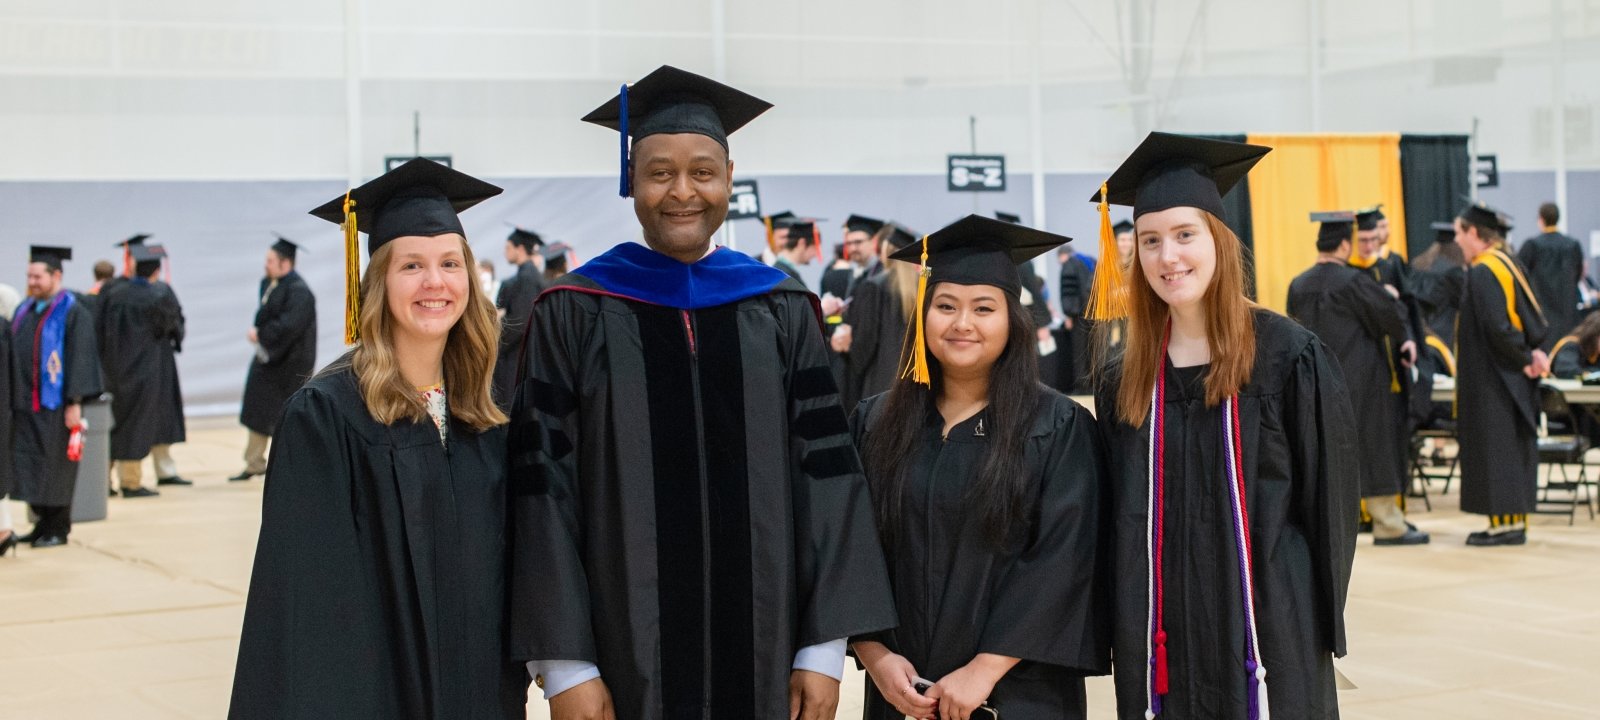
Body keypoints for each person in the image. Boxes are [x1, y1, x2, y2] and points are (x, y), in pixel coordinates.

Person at [507, 65, 896, 720]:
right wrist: (565, 664)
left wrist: (822, 653)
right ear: (631, 179)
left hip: (768, 654)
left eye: (702, 172)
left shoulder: (781, 308)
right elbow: (542, 488)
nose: (682, 192)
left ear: (729, 176)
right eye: (659, 172)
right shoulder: (571, 312)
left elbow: (828, 479)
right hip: (620, 659)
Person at [229, 158, 526, 718]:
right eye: (411, 265)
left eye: (449, 263)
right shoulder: (324, 418)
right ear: (376, 283)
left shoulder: (482, 416)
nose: (435, 283)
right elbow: (307, 606)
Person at [1088, 133, 1359, 719]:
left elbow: (1330, 506)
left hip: (1267, 627)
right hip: (1159, 630)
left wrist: (1309, 618)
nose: (1168, 257)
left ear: (1220, 239)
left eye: (1186, 235)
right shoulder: (1124, 377)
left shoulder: (1289, 357)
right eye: (1150, 240)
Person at [852, 215, 1109, 720]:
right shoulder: (876, 422)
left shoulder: (1058, 427)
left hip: (1017, 697)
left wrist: (985, 669)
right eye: (945, 306)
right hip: (902, 694)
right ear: (923, 316)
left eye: (984, 308)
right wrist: (875, 655)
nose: (962, 323)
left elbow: (1066, 559)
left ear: (1013, 319)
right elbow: (850, 546)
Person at [1288, 211, 1429, 546]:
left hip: (1315, 380)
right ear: (1344, 244)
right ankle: (1388, 524)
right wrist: (1391, 298)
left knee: (1324, 450)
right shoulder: (1353, 282)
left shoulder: (1299, 283)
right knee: (1374, 446)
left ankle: (1333, 523)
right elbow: (1390, 318)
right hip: (1361, 379)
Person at [1454, 201, 1550, 546]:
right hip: (1505, 372)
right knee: (1504, 446)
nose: (1457, 241)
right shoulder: (1506, 262)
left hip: (1498, 377)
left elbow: (1498, 325)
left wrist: (1524, 357)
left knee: (1500, 448)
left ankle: (1507, 523)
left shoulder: (1485, 270)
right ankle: (1505, 520)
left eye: (1458, 233)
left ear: (1475, 233)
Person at [11, 246, 102, 548]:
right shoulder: (26, 309)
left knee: (55, 467)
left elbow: (81, 359)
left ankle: (57, 528)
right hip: (27, 405)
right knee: (31, 465)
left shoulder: (73, 311)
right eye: (29, 276)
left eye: (38, 276)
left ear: (56, 275)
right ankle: (39, 525)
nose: (32, 282)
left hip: (57, 406)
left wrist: (75, 401)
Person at [99, 243, 187, 496]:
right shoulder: (157, 297)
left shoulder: (112, 291)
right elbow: (172, 329)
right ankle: (130, 481)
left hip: (111, 370)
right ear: (155, 272)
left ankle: (102, 481)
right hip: (141, 370)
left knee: (112, 423)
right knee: (134, 425)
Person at [232, 236, 317, 482]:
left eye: (270, 260)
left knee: (289, 416)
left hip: (290, 364)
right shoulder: (270, 284)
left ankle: (293, 464)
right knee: (257, 411)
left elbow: (289, 327)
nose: (266, 264)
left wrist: (261, 334)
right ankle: (254, 463)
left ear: (285, 263)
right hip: (268, 359)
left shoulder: (300, 292)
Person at [836, 222, 919, 410]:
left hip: (881, 383)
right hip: (915, 379)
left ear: (884, 249)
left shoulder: (874, 286)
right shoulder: (924, 286)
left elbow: (865, 343)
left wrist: (849, 347)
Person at [1517, 202, 1584, 349]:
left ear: (1541, 219)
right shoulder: (1572, 245)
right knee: (1567, 349)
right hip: (1568, 308)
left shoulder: (1532, 245)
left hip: (1542, 309)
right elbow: (1578, 274)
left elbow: (1519, 275)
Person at [492, 224, 545, 410]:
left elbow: (521, 322)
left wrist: (495, 344)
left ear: (520, 249)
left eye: (508, 247)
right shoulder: (527, 276)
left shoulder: (527, 279)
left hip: (515, 358)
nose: (505, 252)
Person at [1549, 312, 1600, 379]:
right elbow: (1565, 371)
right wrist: (1592, 374)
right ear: (1594, 335)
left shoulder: (1596, 353)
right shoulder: (1571, 345)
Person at [773, 219, 819, 285]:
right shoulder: (785, 275)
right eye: (814, 248)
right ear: (802, 243)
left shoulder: (783, 270)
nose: (815, 254)